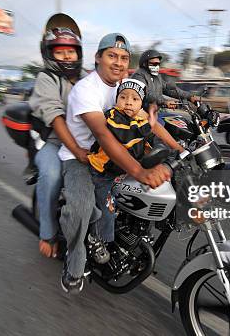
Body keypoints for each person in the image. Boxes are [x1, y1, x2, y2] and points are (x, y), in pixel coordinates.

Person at [57, 33, 174, 294]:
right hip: (84, 158)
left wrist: (180, 147)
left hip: (115, 157)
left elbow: (150, 123)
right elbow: (104, 136)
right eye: (112, 55)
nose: (118, 62)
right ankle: (74, 265)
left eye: (123, 58)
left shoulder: (127, 87)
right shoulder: (86, 90)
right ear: (98, 58)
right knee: (82, 207)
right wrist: (139, 171)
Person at [87, 78, 182, 249]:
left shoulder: (140, 121)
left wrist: (175, 152)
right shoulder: (112, 116)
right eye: (123, 97)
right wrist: (149, 126)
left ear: (141, 104)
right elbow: (125, 135)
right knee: (107, 209)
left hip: (124, 170)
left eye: (135, 99)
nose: (128, 103)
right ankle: (99, 240)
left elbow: (154, 140)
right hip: (103, 173)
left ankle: (137, 232)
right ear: (117, 100)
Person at [28, 13, 88, 259]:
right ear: (49, 54)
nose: (66, 56)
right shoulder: (47, 78)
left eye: (70, 52)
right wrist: (77, 151)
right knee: (51, 175)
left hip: (86, 142)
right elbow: (55, 117)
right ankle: (48, 233)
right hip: (53, 142)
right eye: (60, 52)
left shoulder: (87, 77)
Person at [131, 49, 198, 109]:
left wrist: (189, 96)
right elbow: (146, 94)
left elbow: (168, 89)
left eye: (158, 64)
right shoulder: (139, 75)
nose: (156, 66)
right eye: (153, 64)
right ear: (144, 64)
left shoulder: (156, 77)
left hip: (155, 111)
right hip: (141, 113)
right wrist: (164, 101)